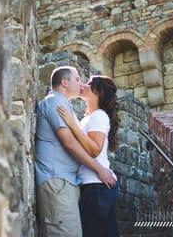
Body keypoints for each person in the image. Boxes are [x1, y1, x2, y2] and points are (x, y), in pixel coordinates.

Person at [35, 66, 116, 237]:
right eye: (78, 79)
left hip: (69, 182)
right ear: (65, 82)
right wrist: (99, 169)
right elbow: (69, 143)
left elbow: (89, 146)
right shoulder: (55, 101)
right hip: (57, 180)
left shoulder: (72, 108)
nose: (81, 84)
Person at [57, 75, 121, 237]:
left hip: (96, 186)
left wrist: (72, 124)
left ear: (98, 91)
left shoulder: (98, 115)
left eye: (89, 83)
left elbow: (95, 150)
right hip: (96, 186)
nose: (83, 85)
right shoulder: (89, 117)